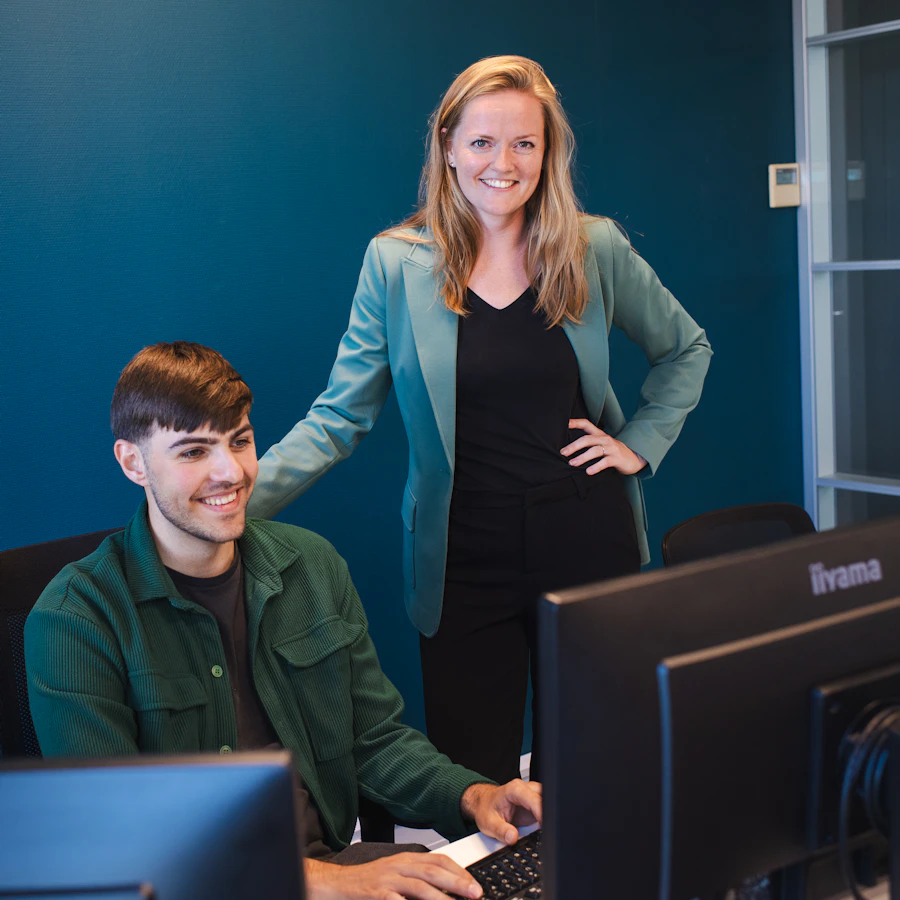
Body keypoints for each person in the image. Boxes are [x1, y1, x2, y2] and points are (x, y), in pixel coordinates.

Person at [248, 55, 712, 784]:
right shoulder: (395, 264)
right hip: (461, 556)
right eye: (483, 142)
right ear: (448, 146)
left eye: (525, 143)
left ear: (548, 153)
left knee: (590, 774)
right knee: (474, 786)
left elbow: (686, 349)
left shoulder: (592, 247)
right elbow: (339, 416)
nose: (504, 163)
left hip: (586, 539)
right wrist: (231, 502)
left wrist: (639, 443)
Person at [24, 341, 542, 900]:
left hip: (334, 865)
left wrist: (475, 796)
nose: (231, 472)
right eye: (194, 451)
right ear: (133, 462)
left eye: (239, 440)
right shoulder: (76, 619)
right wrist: (332, 882)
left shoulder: (311, 565)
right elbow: (120, 838)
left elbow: (373, 740)